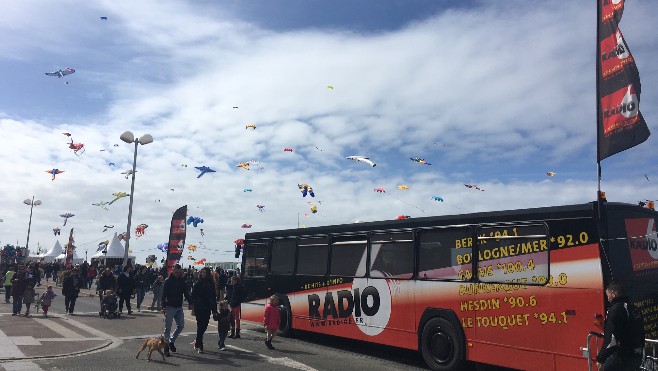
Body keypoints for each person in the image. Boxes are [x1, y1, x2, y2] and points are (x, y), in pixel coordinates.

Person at [596, 283, 645, 371]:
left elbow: (612, 339)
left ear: (613, 294)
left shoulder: (616, 309)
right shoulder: (634, 308)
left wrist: (600, 358)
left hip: (622, 357)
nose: (608, 299)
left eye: (608, 296)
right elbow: (642, 332)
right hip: (637, 356)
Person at [162, 264, 191, 357]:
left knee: (181, 325)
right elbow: (163, 295)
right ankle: (166, 347)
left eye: (179, 272)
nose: (178, 274)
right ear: (173, 271)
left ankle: (171, 341)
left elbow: (186, 293)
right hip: (170, 306)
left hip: (179, 306)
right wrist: (163, 306)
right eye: (176, 272)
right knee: (168, 328)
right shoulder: (168, 281)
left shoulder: (182, 281)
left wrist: (192, 302)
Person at [190, 267, 218, 353]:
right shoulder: (198, 283)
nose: (203, 274)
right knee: (200, 325)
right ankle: (200, 345)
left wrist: (214, 310)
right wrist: (192, 307)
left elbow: (213, 297)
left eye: (205, 272)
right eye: (202, 272)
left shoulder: (211, 283)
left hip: (208, 307)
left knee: (204, 325)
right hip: (199, 306)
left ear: (208, 273)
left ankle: (197, 341)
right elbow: (193, 295)